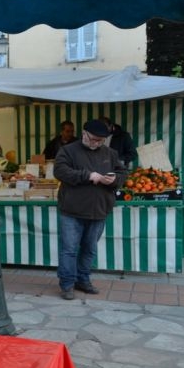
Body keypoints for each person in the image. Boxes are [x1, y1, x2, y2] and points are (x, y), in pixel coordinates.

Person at [53, 119, 127, 300]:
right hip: (72, 210)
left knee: (89, 249)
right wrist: (88, 175)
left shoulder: (110, 153)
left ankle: (83, 280)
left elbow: (123, 173)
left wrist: (115, 179)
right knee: (69, 249)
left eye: (100, 141)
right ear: (84, 133)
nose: (96, 143)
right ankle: (67, 285)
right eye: (93, 139)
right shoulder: (68, 150)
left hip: (99, 209)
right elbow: (60, 171)